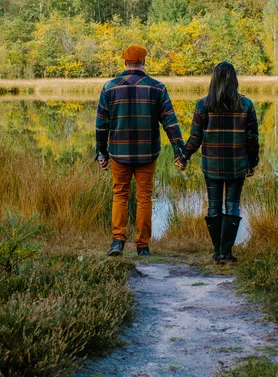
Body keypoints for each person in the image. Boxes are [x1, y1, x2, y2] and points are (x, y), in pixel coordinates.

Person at [96, 44, 184, 257]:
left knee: (120, 195)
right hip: (147, 153)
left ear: (125, 62)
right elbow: (170, 122)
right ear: (143, 62)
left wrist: (101, 152)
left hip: (119, 153)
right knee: (144, 197)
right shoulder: (157, 88)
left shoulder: (110, 88)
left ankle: (117, 242)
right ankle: (142, 246)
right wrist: (179, 150)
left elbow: (101, 125)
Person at [176, 62, 259, 263]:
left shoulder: (203, 105)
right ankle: (226, 253)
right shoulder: (246, 104)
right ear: (234, 80)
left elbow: (195, 138)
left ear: (214, 80)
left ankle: (217, 252)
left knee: (214, 206)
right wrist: (252, 162)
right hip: (237, 164)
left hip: (211, 165)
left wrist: (183, 157)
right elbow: (252, 138)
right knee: (232, 205)